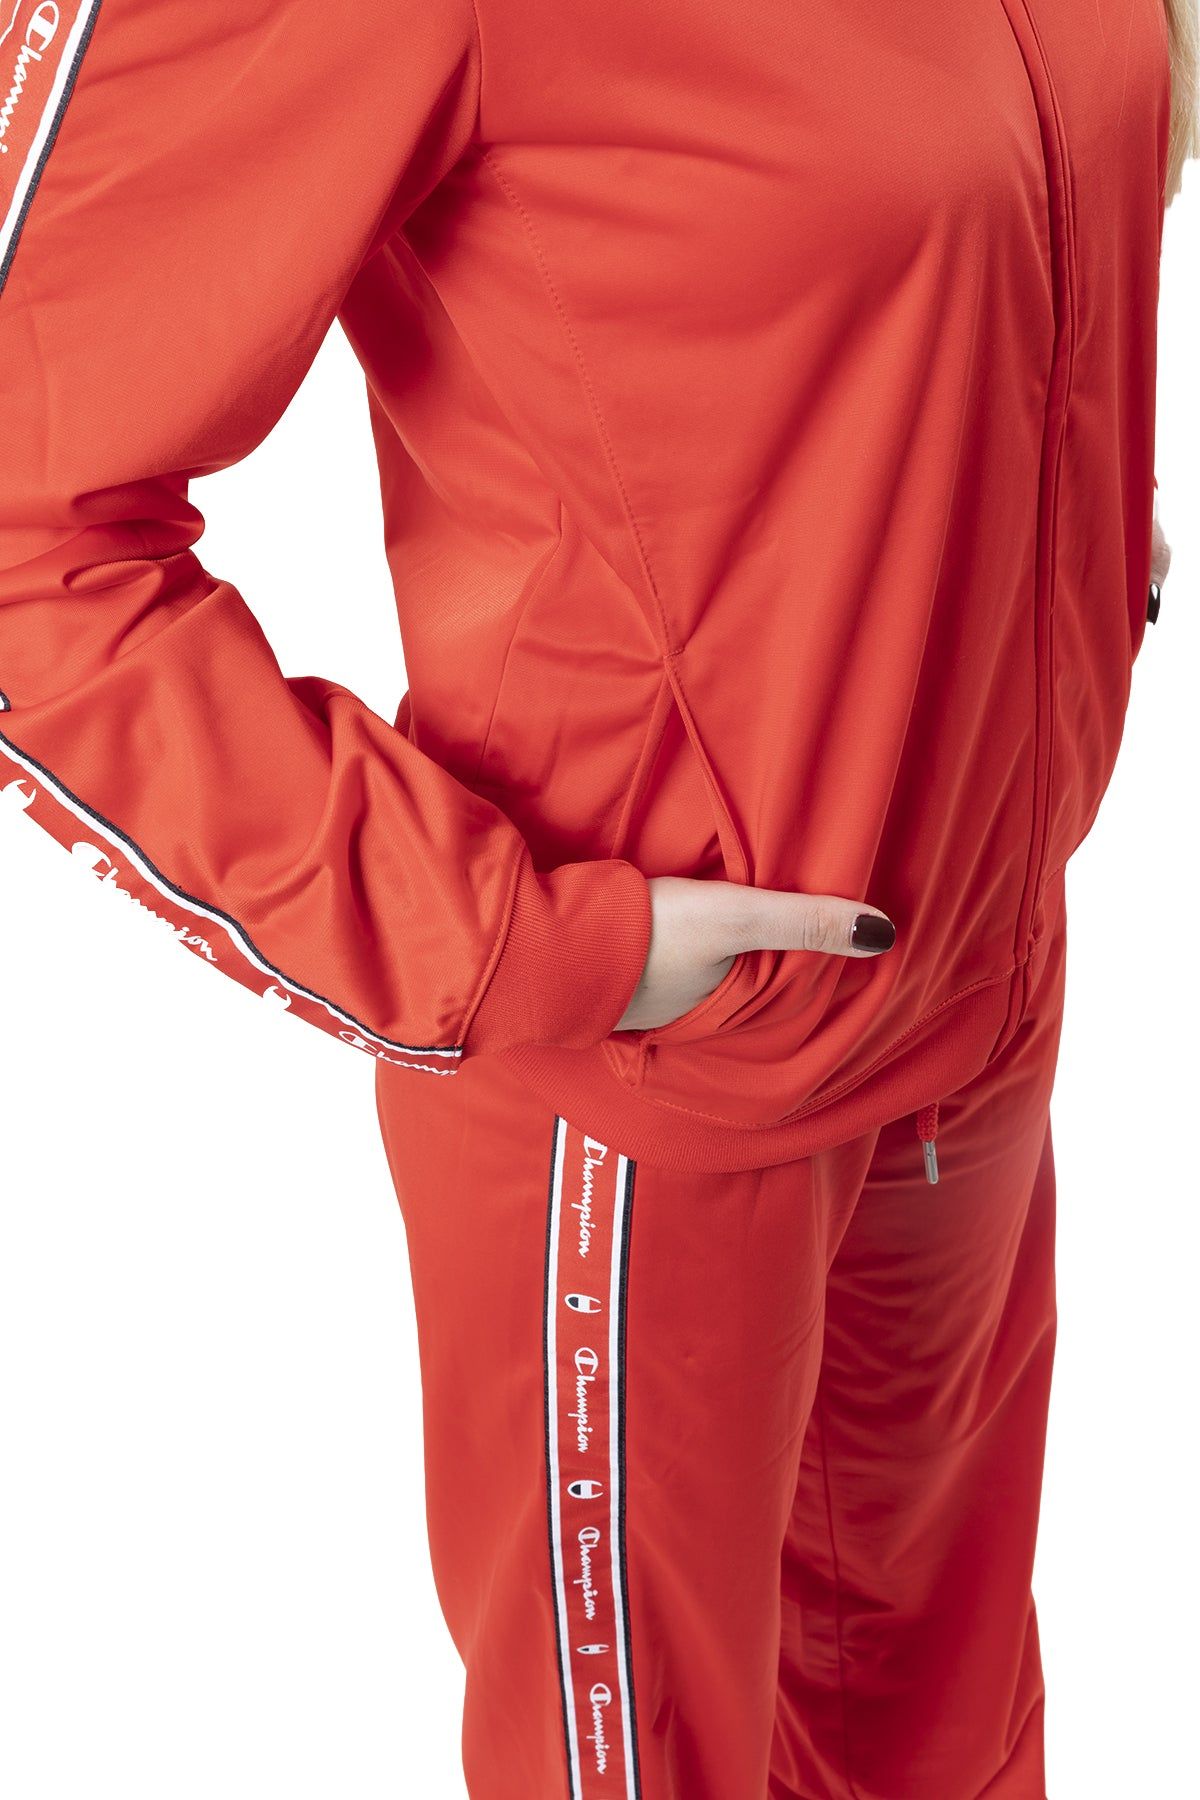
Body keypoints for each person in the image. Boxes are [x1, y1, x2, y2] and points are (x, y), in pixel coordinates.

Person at [0, 1, 1194, 1794]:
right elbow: (27, 530)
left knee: (949, 1752)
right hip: (653, 1074)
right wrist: (499, 943)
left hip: (976, 973)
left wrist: (1043, 478)